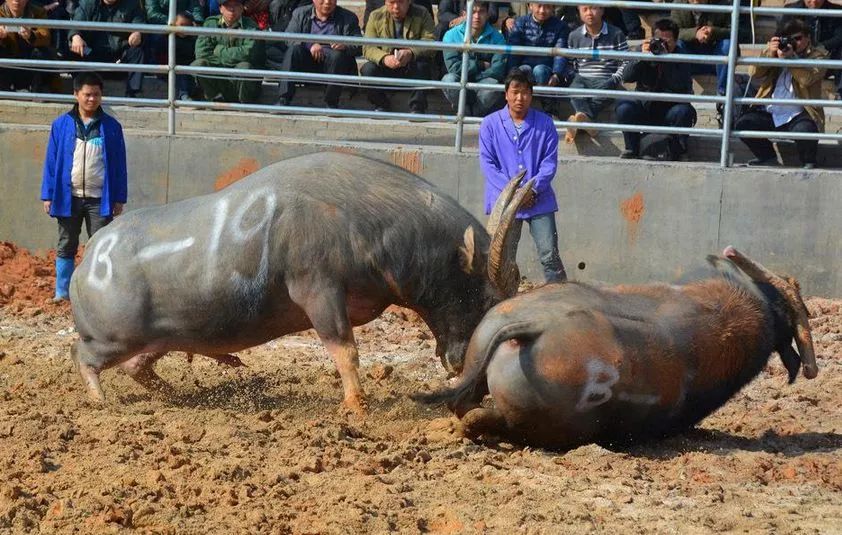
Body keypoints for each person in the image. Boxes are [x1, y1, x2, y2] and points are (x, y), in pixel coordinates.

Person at [40, 72, 128, 302]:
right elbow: (51, 162)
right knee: (66, 243)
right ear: (76, 94)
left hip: (100, 198)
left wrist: (119, 198)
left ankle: (97, 295)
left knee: (100, 246)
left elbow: (119, 165)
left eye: (96, 95)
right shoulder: (61, 125)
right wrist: (48, 195)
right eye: (87, 94)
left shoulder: (111, 127)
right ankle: (63, 292)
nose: (92, 99)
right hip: (69, 196)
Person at [479, 69, 567, 284]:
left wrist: (532, 190)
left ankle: (560, 300)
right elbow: (488, 164)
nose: (520, 98)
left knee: (549, 255)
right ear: (506, 94)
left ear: (532, 95)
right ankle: (501, 302)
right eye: (515, 92)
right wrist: (514, 192)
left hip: (539, 199)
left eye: (526, 92)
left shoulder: (545, 124)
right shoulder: (490, 124)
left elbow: (549, 164)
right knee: (502, 259)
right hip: (505, 201)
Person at [734, 18, 827, 169]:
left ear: (808, 38)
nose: (793, 43)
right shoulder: (776, 52)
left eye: (798, 38)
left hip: (800, 113)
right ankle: (766, 157)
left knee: (806, 130)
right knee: (744, 124)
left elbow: (807, 79)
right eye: (790, 39)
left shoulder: (818, 55)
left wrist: (790, 60)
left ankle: (808, 161)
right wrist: (769, 54)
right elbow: (753, 72)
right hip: (772, 112)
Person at [615, 18, 696, 160]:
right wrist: (641, 58)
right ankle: (631, 148)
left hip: (670, 109)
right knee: (624, 107)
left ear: (676, 41)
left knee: (684, 111)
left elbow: (679, 84)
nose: (662, 44)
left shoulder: (682, 55)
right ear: (652, 38)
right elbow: (627, 77)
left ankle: (679, 150)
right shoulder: (644, 50)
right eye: (659, 40)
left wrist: (666, 60)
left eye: (667, 41)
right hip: (646, 107)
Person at [277, 0, 362, 108]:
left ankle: (331, 103)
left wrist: (345, 45)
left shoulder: (348, 18)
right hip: (309, 61)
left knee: (337, 56)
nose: (327, 2)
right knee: (293, 50)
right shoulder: (300, 13)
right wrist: (310, 44)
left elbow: (360, 45)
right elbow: (289, 38)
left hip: (335, 65)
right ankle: (284, 98)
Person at [565, 4, 628, 142]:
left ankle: (579, 121)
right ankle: (588, 121)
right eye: (585, 9)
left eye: (593, 8)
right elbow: (570, 63)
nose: (589, 13)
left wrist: (615, 78)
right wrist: (574, 76)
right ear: (579, 12)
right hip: (582, 78)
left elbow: (626, 62)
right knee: (574, 90)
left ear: (602, 10)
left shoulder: (616, 34)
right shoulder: (574, 36)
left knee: (606, 92)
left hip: (605, 78)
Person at [360, 0, 435, 113]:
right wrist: (384, 58)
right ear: (385, 2)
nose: (396, 7)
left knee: (423, 67)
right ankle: (381, 104)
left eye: (400, 2)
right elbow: (368, 48)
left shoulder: (422, 13)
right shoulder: (376, 15)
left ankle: (417, 108)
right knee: (367, 69)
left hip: (411, 65)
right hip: (387, 65)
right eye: (391, 2)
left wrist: (410, 52)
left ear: (409, 2)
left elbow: (431, 42)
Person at [192, 0, 266, 103]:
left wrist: (219, 50)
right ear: (221, 8)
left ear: (242, 8)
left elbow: (248, 54)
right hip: (217, 78)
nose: (232, 9)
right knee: (198, 64)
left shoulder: (251, 27)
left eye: (236, 5)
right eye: (227, 6)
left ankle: (244, 104)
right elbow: (201, 53)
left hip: (240, 82)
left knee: (244, 66)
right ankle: (215, 98)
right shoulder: (210, 23)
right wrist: (231, 58)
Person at [68, 0, 147, 97]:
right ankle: (81, 90)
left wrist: (138, 33)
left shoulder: (131, 4)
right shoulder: (88, 3)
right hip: (92, 54)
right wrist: (76, 36)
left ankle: (134, 93)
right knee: (75, 48)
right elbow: (76, 23)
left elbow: (139, 23)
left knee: (137, 52)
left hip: (120, 57)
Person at [441, 1, 506, 116]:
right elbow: (453, 68)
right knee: (448, 80)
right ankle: (464, 112)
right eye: (473, 11)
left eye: (481, 12)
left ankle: (473, 114)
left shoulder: (498, 38)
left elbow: (497, 70)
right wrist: (480, 65)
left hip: (483, 83)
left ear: (487, 14)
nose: (477, 16)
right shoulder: (451, 35)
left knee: (493, 84)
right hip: (460, 80)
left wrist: (476, 75)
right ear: (464, 14)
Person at [671, 0, 733, 97]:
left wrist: (713, 31)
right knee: (678, 44)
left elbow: (734, 31)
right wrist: (695, 33)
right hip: (689, 59)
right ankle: (685, 90)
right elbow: (673, 32)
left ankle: (723, 94)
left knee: (727, 44)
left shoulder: (722, 3)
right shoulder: (678, 4)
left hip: (715, 57)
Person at [785, 0, 842, 97]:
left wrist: (818, 48)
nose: (814, 2)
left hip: (826, 57)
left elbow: (839, 37)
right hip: (799, 55)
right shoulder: (792, 10)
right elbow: (781, 34)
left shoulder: (836, 11)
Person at [506, 3, 570, 88]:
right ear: (530, 6)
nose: (542, 11)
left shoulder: (560, 26)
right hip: (525, 64)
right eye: (539, 6)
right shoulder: (520, 23)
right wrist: (512, 72)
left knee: (539, 70)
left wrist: (557, 74)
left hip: (547, 68)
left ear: (553, 7)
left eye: (547, 6)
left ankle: (545, 97)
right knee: (523, 70)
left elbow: (560, 52)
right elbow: (514, 51)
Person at [0, 0, 57, 92]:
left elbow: (46, 37)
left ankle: (38, 90)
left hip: (29, 60)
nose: (16, 1)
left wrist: (32, 36)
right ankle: (4, 89)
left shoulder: (39, 12)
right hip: (8, 64)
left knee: (42, 52)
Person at [266, 0, 310, 67]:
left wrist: (270, 31)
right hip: (283, 39)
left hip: (298, 44)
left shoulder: (304, 6)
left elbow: (289, 24)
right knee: (264, 48)